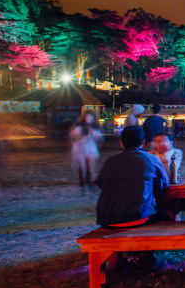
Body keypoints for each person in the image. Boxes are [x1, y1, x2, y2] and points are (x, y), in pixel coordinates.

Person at [94, 125, 171, 268]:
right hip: (139, 218)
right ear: (143, 143)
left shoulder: (111, 162)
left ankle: (124, 256)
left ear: (121, 143)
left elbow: (101, 183)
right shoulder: (151, 159)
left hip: (108, 220)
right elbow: (164, 184)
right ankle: (143, 253)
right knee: (166, 218)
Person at [69, 110, 102, 189]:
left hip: (91, 147)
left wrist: (94, 135)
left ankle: (89, 181)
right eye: (87, 116)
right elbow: (74, 137)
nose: (88, 118)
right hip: (80, 147)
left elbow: (99, 139)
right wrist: (81, 135)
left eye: (90, 117)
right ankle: (82, 181)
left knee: (90, 166)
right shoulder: (79, 126)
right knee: (81, 166)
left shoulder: (94, 126)